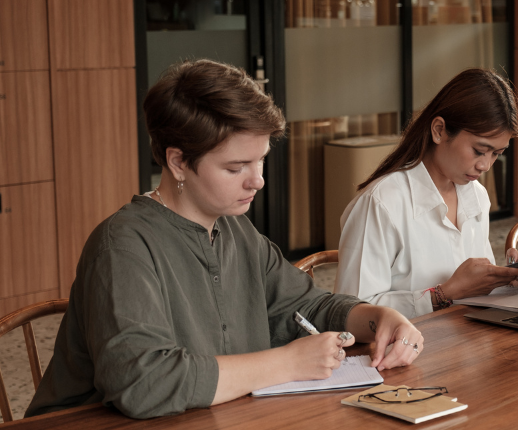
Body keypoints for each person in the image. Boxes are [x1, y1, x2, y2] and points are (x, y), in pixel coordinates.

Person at [25, 60, 422, 420]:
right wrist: (285, 363)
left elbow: (307, 305)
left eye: (260, 159)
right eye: (236, 168)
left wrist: (379, 318)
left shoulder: (235, 229)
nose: (258, 180)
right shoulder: (122, 246)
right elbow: (144, 383)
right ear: (178, 161)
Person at [336, 69, 518, 319]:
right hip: (408, 343)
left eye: (496, 153)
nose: (486, 165)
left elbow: (473, 294)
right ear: (439, 130)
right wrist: (443, 294)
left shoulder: (477, 196)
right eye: (479, 150)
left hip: (467, 337)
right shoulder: (381, 203)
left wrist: (504, 281)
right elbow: (350, 313)